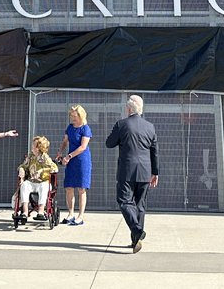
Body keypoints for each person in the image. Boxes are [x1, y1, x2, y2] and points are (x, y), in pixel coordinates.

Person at [104, 94, 158, 253]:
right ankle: (136, 241)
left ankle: (136, 230)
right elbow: (155, 151)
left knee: (124, 201)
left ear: (128, 109)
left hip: (127, 170)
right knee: (140, 205)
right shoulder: (150, 126)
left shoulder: (121, 124)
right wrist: (155, 172)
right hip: (145, 171)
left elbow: (109, 143)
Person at [57, 103, 92, 225]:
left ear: (80, 115)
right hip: (70, 160)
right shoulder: (70, 127)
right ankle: (71, 213)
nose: (73, 118)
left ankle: (80, 216)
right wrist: (60, 152)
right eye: (71, 115)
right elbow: (65, 141)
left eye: (75, 115)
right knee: (69, 187)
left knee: (81, 188)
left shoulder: (85, 128)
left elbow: (83, 147)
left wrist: (69, 156)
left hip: (82, 160)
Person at [16, 135, 58, 222]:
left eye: (33, 145)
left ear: (38, 148)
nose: (31, 147)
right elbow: (24, 165)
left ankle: (41, 212)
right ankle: (25, 212)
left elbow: (54, 168)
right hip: (32, 181)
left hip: (43, 182)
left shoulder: (44, 157)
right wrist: (21, 169)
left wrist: (41, 171)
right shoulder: (30, 156)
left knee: (44, 187)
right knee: (24, 185)